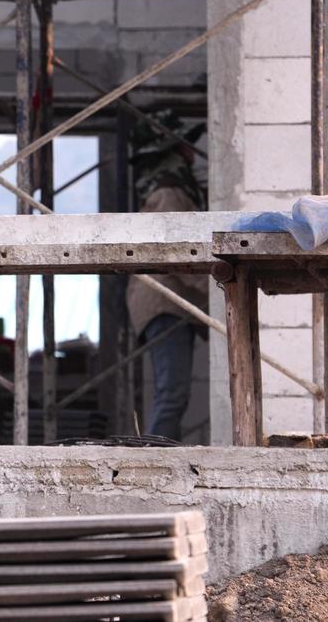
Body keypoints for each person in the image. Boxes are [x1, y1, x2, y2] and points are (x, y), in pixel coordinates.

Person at [125, 112, 208, 441]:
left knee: (173, 393)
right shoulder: (170, 193)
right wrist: (217, 293)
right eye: (184, 146)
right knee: (171, 393)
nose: (191, 153)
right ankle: (154, 461)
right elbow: (174, 254)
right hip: (165, 302)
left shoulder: (168, 188)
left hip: (169, 301)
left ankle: (158, 453)